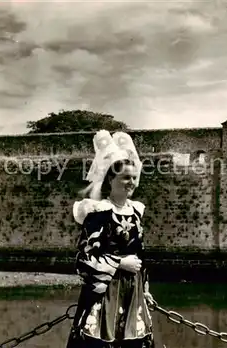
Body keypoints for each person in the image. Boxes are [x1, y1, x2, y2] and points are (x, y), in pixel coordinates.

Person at [66, 130, 156, 348]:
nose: (131, 182)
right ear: (110, 179)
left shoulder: (135, 212)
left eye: (134, 177)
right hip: (105, 294)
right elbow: (83, 260)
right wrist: (120, 263)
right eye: (125, 177)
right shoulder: (98, 213)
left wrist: (145, 290)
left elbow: (140, 256)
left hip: (132, 294)